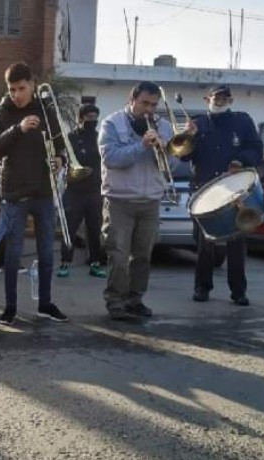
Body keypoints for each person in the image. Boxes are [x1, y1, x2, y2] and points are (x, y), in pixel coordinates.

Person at [0, 62, 68, 325]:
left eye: (22, 88)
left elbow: (60, 144)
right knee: (12, 254)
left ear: (32, 84)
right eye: (12, 89)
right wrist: (17, 129)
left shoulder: (46, 110)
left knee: (46, 253)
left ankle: (45, 303)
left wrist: (61, 160)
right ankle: (10, 307)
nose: (17, 94)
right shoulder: (0, 115)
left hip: (43, 191)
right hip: (14, 194)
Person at [99, 81, 176, 320]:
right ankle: (115, 301)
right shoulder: (112, 123)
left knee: (143, 256)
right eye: (144, 103)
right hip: (120, 200)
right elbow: (111, 158)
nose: (149, 110)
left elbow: (171, 167)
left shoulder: (163, 126)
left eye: (154, 105)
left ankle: (135, 299)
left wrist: (166, 151)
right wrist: (141, 145)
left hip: (150, 200)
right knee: (119, 255)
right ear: (131, 99)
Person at [184, 85, 263, 306]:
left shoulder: (243, 121)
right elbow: (182, 157)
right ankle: (202, 287)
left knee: (237, 243)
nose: (220, 100)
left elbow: (256, 149)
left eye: (225, 97)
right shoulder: (197, 124)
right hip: (204, 190)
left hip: (234, 190)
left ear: (231, 100)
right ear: (206, 98)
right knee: (204, 244)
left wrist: (242, 160)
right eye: (216, 97)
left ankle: (238, 291)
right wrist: (187, 137)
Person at [57, 104, 107, 278]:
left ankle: (95, 263)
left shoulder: (100, 137)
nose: (92, 120)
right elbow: (65, 158)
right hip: (74, 190)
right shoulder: (70, 137)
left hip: (95, 190)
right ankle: (64, 263)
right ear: (80, 118)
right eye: (89, 117)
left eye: (95, 117)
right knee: (69, 229)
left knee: (94, 230)